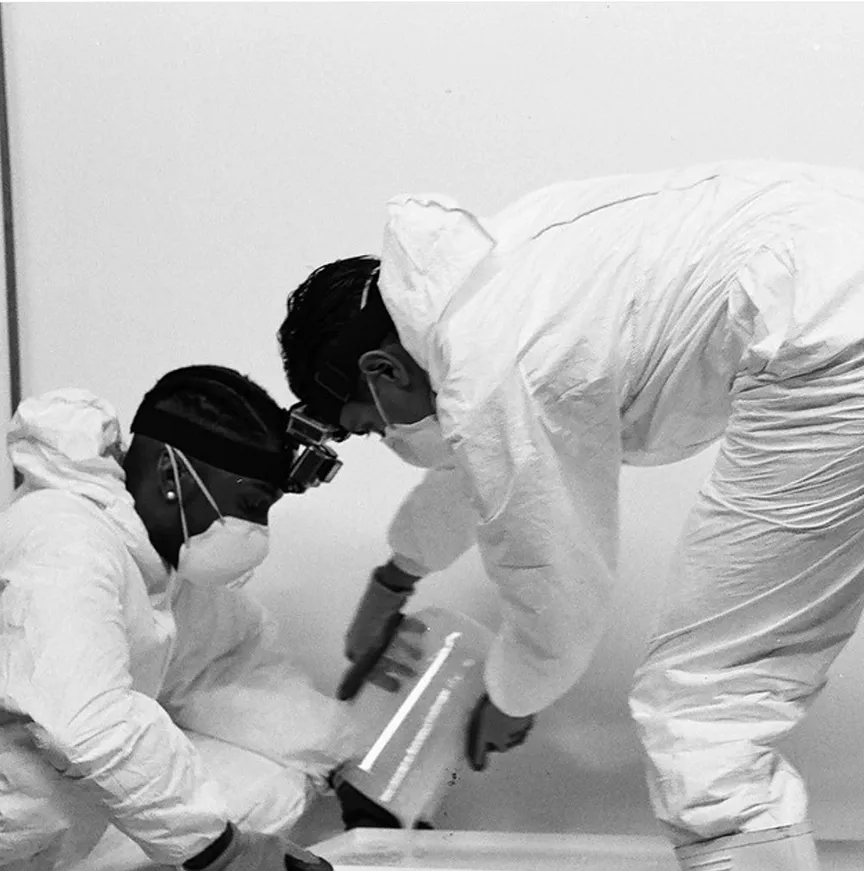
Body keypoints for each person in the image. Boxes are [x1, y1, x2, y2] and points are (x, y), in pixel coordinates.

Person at [276, 161, 864, 870]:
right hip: (836, 261)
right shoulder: (493, 270)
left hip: (825, 335)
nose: (390, 439)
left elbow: (554, 580)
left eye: (371, 425)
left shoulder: (490, 366)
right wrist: (397, 576)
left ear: (384, 368)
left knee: (702, 707)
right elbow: (482, 462)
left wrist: (512, 691)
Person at [0, 365, 345, 871]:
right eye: (250, 505)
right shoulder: (66, 537)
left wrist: (338, 755)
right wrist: (223, 853)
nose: (256, 531)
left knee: (271, 787)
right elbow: (88, 722)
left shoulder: (153, 567)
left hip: (44, 833)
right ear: (171, 476)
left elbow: (235, 662)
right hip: (16, 828)